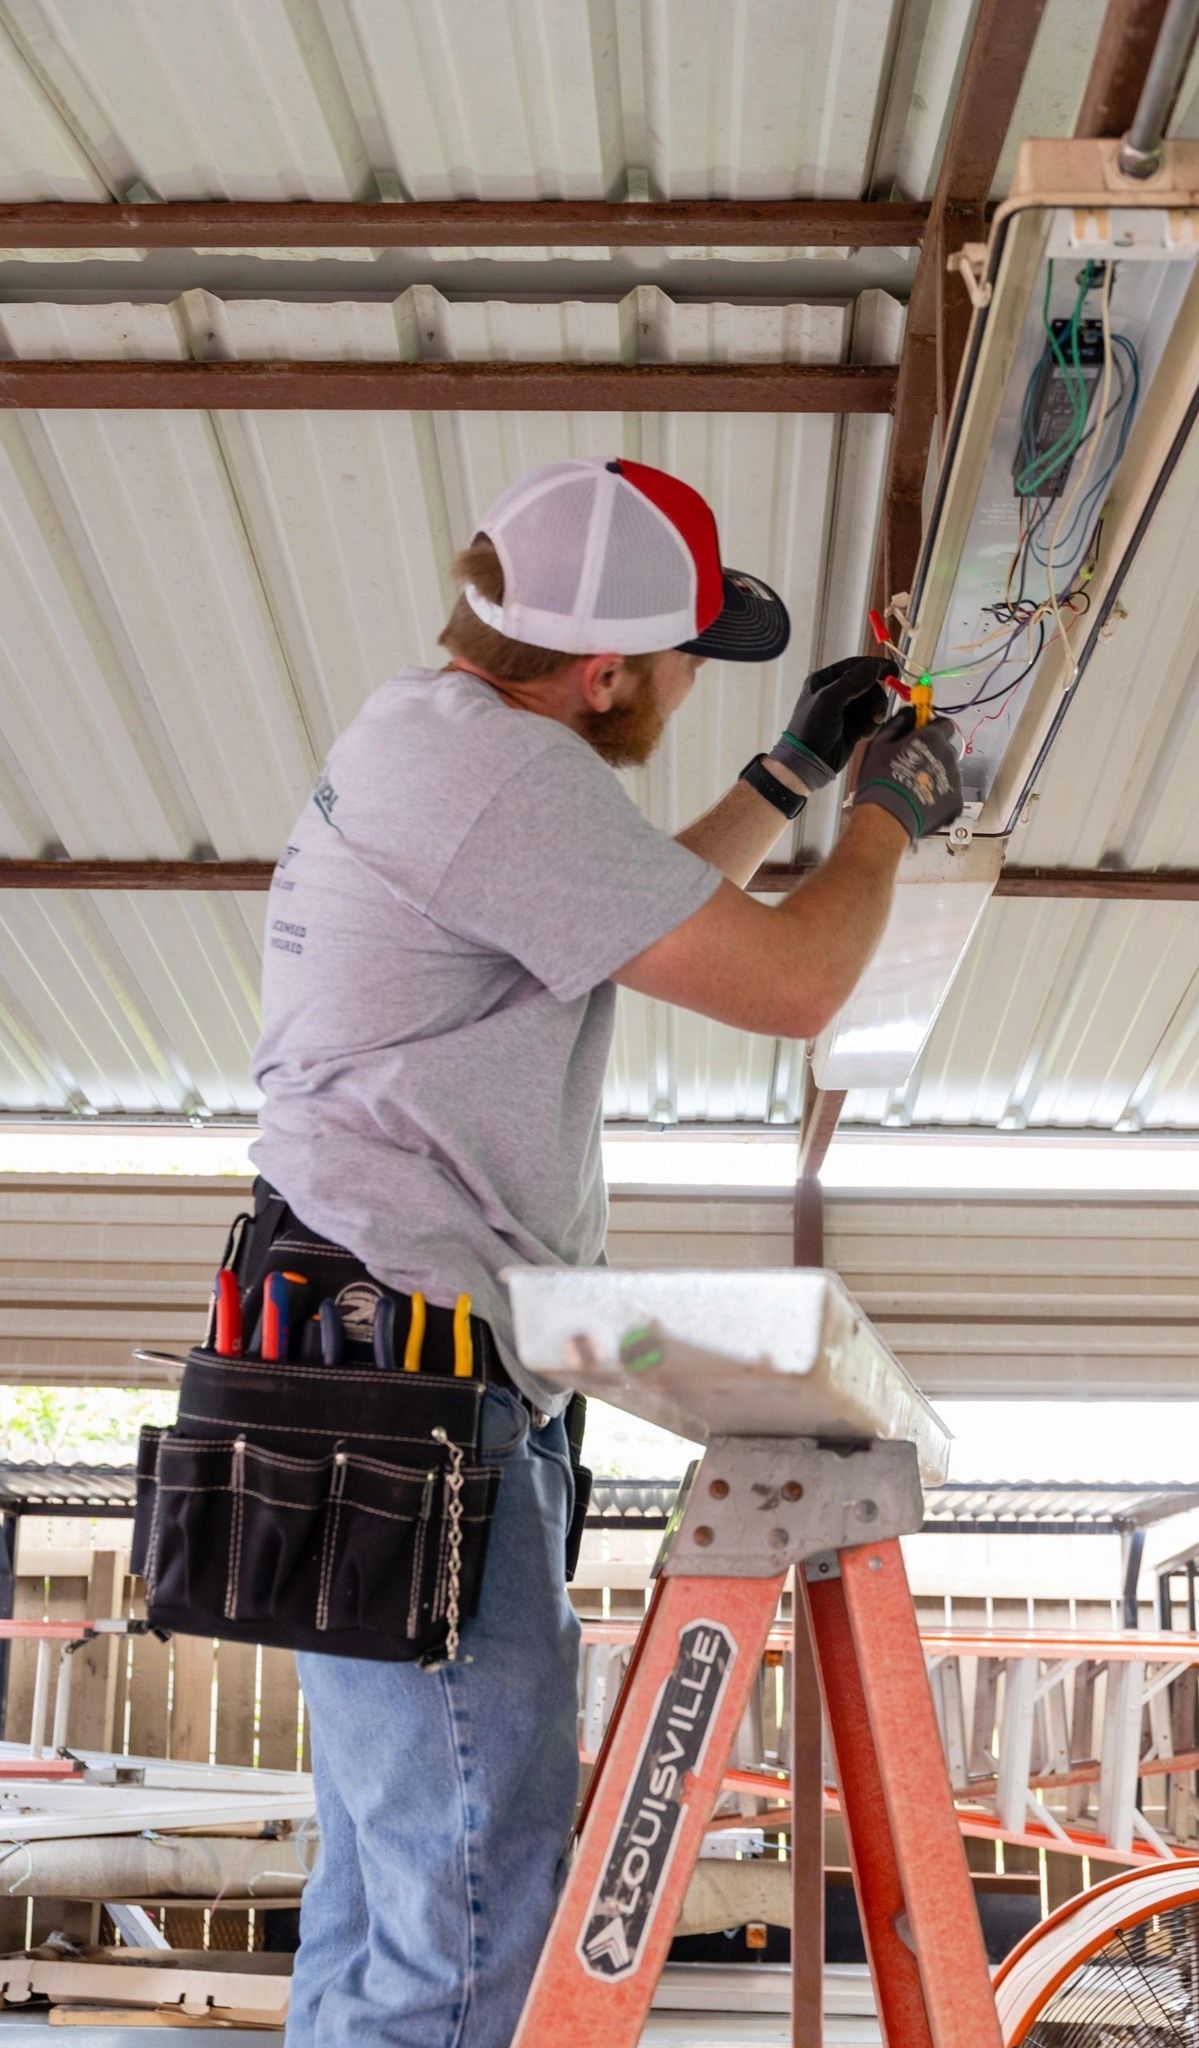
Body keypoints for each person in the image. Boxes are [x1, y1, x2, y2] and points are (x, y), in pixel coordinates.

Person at [248, 456, 961, 2048]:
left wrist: (786, 779)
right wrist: (884, 830)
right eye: (685, 663)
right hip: (405, 1380)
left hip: (349, 1350)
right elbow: (788, 985)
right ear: (605, 671)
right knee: (473, 1904)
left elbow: (624, 908)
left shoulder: (435, 737)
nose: (683, 690)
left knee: (390, 1887)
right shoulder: (509, 783)